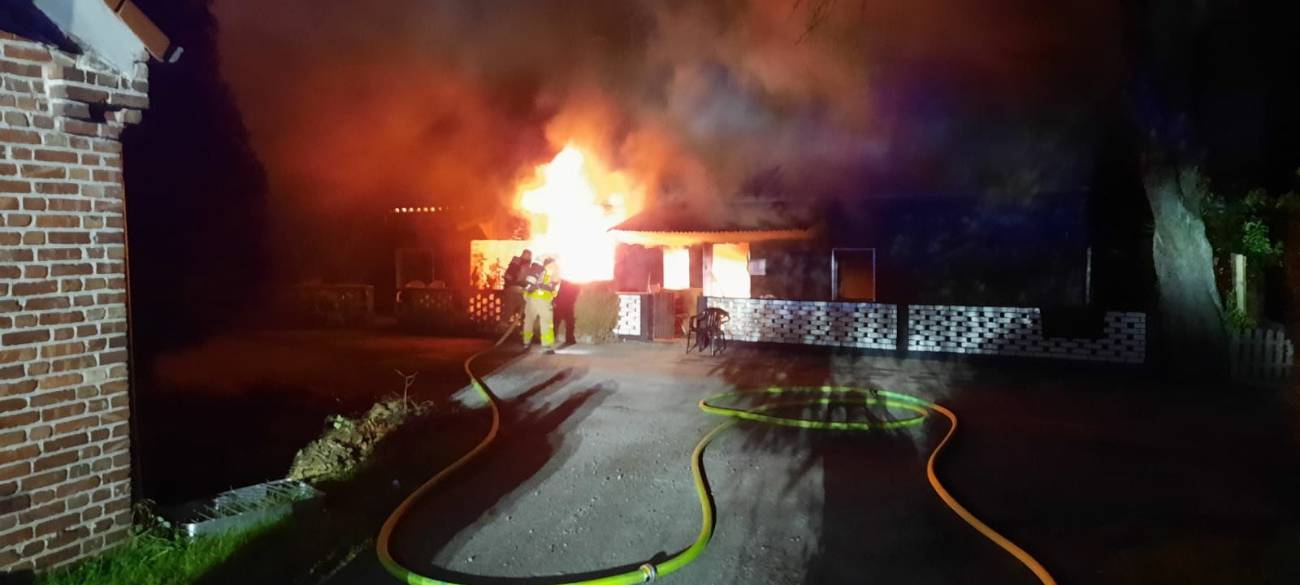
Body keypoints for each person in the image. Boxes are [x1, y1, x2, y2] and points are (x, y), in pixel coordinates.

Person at [522, 257, 561, 354]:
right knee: (546, 322)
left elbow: (528, 286)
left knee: (529, 320)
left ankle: (526, 342)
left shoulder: (538, 270)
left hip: (531, 297)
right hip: (542, 299)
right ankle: (547, 345)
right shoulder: (551, 270)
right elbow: (555, 283)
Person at [501, 249, 532, 326]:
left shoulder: (517, 263)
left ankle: (512, 324)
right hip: (515, 290)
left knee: (518, 307)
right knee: (512, 307)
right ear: (523, 255)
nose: (529, 257)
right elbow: (510, 277)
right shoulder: (518, 264)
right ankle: (504, 325)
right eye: (528, 255)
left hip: (516, 290)